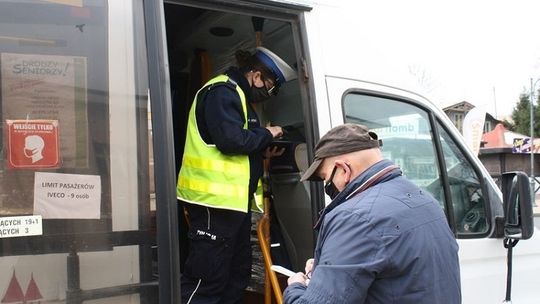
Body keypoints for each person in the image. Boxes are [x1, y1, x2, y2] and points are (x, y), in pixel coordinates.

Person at [283, 123, 461, 304]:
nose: (328, 187)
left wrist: (296, 287)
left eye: (326, 179)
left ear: (344, 169)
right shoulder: (426, 200)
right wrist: (329, 268)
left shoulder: (354, 218)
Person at [177, 46, 296, 304]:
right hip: (211, 203)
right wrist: (269, 133)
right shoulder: (222, 91)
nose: (268, 93)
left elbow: (236, 146)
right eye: (270, 86)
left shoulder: (239, 98)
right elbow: (230, 141)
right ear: (256, 76)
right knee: (207, 279)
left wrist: (263, 154)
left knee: (235, 276)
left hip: (232, 206)